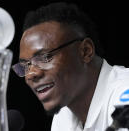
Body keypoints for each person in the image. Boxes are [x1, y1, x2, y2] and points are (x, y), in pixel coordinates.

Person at [12, 2, 129, 131]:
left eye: (44, 57)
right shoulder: (64, 114)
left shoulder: (124, 94)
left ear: (85, 51)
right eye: (24, 66)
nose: (31, 74)